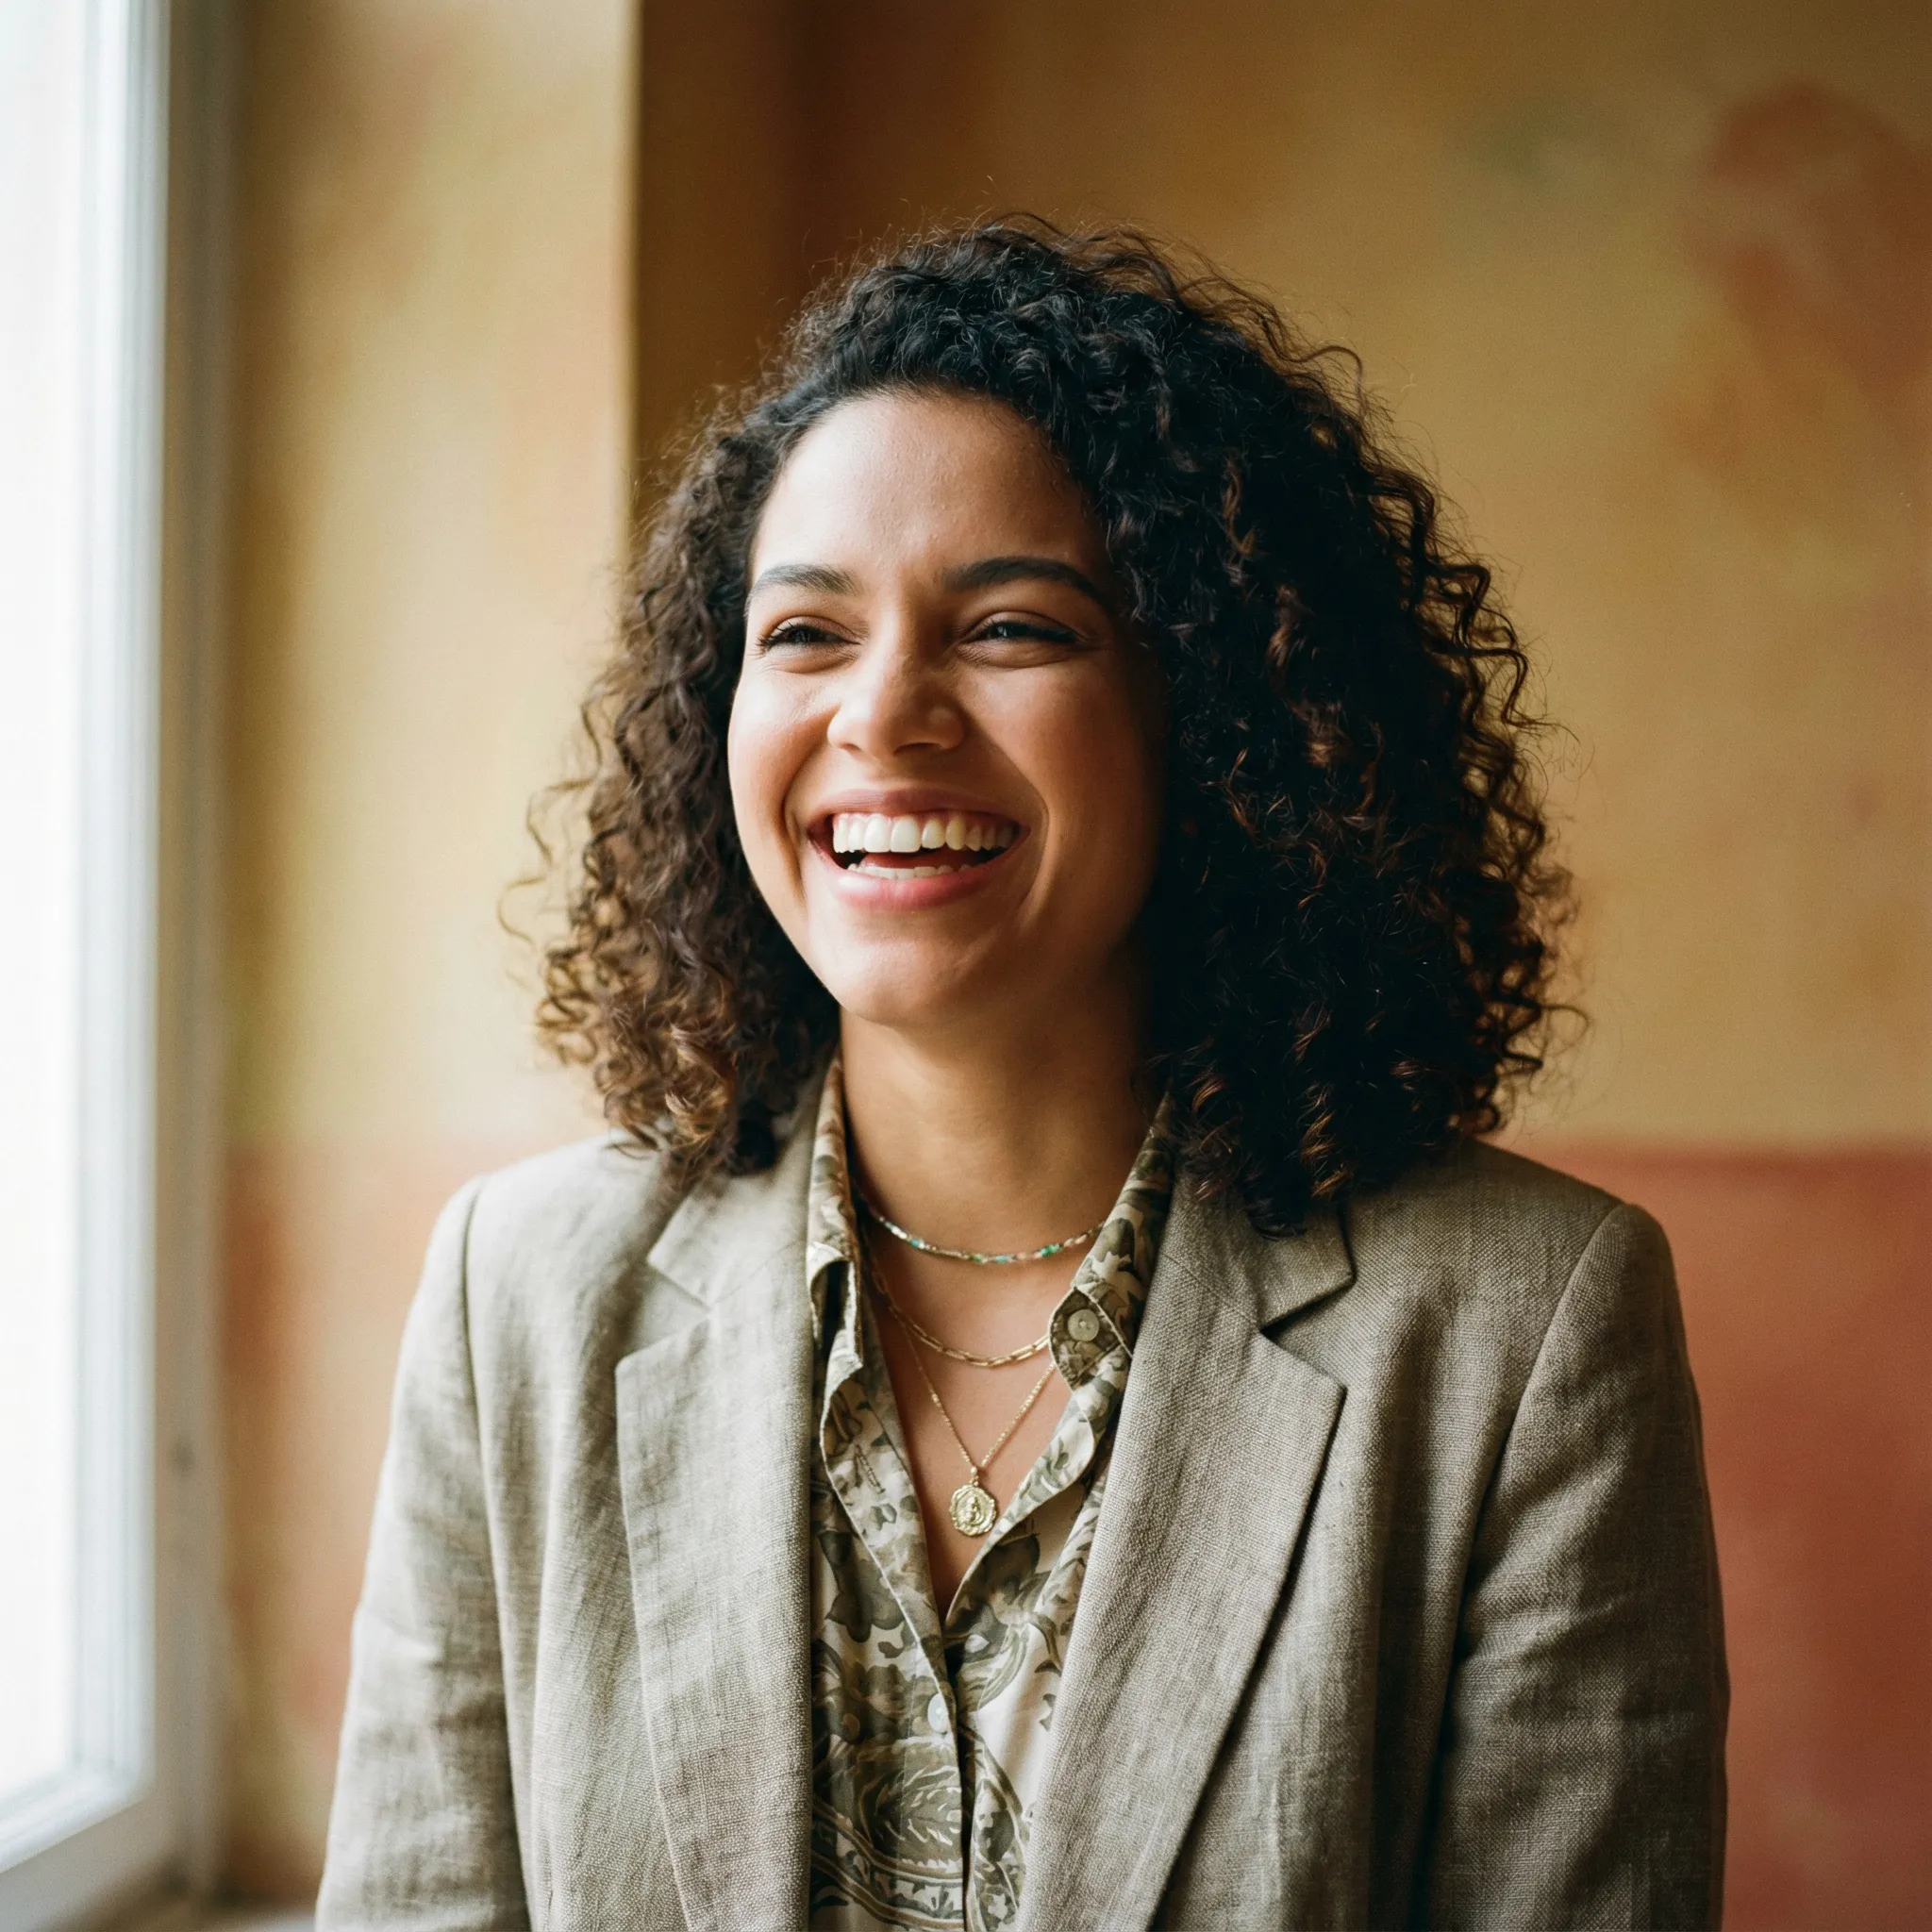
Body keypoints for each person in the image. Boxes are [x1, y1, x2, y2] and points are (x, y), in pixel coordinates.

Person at [318, 222, 1726, 1931]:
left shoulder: (1525, 1330)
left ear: (1214, 714)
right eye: (806, 633)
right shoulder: (518, 1299)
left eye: (1012, 629)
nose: (886, 715)